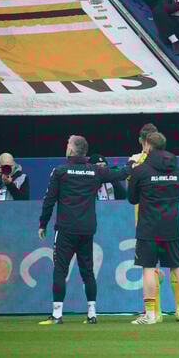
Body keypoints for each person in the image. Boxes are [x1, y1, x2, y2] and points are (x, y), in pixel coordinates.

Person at [37, 136, 131, 325]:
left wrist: (43, 224)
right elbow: (119, 174)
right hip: (87, 229)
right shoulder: (94, 171)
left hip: (65, 229)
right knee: (87, 271)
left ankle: (57, 314)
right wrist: (132, 165)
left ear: (72, 151)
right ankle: (92, 314)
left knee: (60, 270)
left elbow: (49, 201)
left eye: (67, 145)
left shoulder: (60, 171)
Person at [127, 132, 179, 325]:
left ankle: (150, 315)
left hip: (148, 227)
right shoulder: (177, 171)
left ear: (148, 146)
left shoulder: (140, 171)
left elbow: (132, 198)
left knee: (148, 269)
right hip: (171, 226)